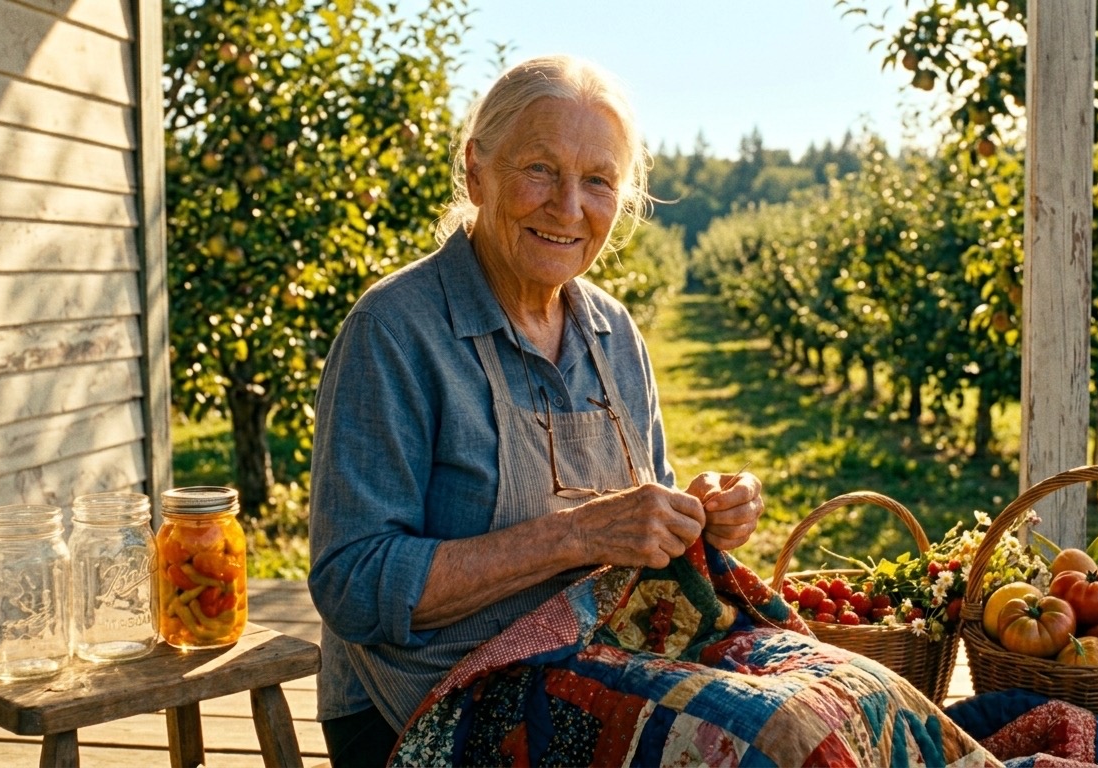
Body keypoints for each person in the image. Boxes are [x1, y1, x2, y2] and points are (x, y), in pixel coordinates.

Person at [307, 54, 766, 768]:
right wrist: (576, 535)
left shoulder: (613, 333)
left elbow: (648, 524)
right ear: (475, 173)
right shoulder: (396, 329)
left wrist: (701, 515)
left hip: (598, 667)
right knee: (745, 750)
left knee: (816, 701)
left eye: (598, 181)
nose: (569, 207)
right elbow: (354, 584)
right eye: (540, 170)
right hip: (429, 707)